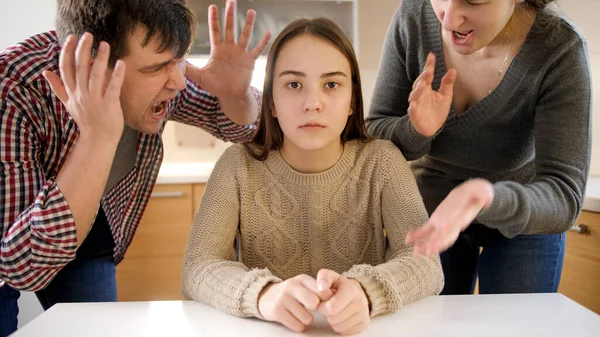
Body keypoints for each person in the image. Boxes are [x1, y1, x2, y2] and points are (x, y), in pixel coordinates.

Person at [0, 0, 270, 335]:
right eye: (155, 68)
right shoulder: (13, 90)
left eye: (179, 59)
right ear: (94, 65)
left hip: (92, 237)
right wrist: (96, 139)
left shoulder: (162, 78)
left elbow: (239, 127)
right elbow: (21, 267)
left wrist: (236, 96)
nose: (178, 83)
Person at [181, 17, 443, 335]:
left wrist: (366, 292)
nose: (312, 104)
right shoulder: (238, 166)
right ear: (272, 101)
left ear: (352, 101)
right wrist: (264, 295)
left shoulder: (382, 161)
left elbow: (426, 263)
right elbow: (198, 266)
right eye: (294, 85)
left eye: (331, 85)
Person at [367, 0, 592, 295]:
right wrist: (417, 130)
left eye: (472, 1)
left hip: (523, 218)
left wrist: (486, 197)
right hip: (432, 212)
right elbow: (375, 133)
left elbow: (563, 196)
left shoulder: (560, 48)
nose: (448, 21)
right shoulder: (412, 17)